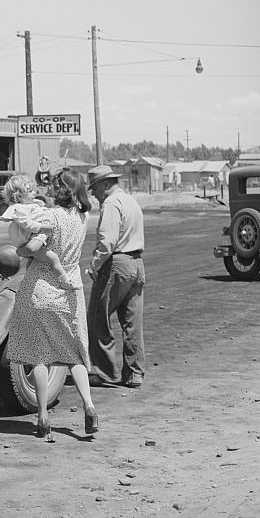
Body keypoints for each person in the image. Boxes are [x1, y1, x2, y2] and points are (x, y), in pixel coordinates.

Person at [5, 169, 98, 441]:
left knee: (39, 357)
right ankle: (89, 406)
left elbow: (32, 247)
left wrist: (20, 251)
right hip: (71, 290)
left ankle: (43, 416)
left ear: (59, 190)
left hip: (40, 290)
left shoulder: (49, 217)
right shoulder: (83, 217)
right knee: (76, 355)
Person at [85, 164, 146, 389]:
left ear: (105, 184)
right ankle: (134, 373)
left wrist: (95, 264)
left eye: (94, 188)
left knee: (97, 318)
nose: (93, 194)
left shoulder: (111, 204)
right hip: (137, 263)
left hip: (117, 264)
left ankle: (104, 372)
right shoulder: (130, 200)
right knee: (132, 322)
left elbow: (108, 242)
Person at [0, 174, 79, 290]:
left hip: (29, 239)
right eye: (29, 191)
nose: (34, 193)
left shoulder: (29, 204)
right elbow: (27, 224)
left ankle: (29, 280)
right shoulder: (18, 209)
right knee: (53, 258)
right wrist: (42, 226)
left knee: (33, 261)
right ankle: (65, 281)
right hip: (26, 240)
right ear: (18, 197)